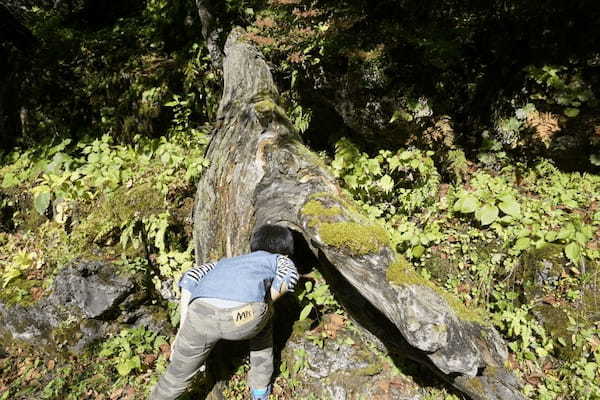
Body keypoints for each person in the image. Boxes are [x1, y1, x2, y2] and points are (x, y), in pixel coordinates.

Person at [149, 224, 299, 400]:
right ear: (285, 251)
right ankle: (260, 389)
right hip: (242, 318)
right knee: (265, 322)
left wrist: (183, 328)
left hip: (201, 314)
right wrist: (266, 301)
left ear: (254, 246)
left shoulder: (225, 261)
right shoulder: (279, 259)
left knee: (176, 375)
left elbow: (189, 277)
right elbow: (290, 278)